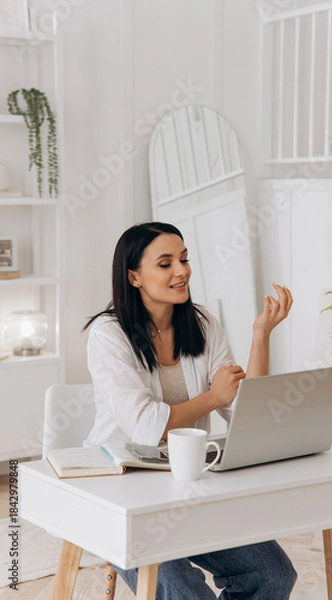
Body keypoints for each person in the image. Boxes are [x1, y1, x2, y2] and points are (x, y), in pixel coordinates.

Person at [84, 222, 296, 599]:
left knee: (274, 574)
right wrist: (213, 398)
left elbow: (248, 415)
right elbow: (146, 425)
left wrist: (261, 335)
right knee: (185, 592)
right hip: (121, 496)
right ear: (134, 276)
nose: (181, 271)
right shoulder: (108, 335)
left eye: (183, 259)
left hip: (187, 486)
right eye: (165, 263)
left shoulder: (202, 324)